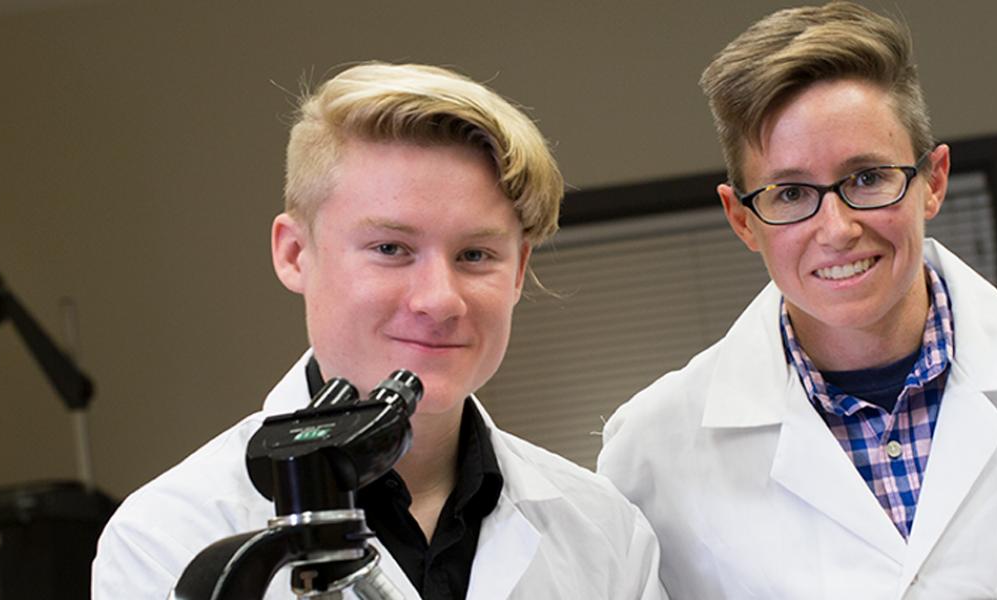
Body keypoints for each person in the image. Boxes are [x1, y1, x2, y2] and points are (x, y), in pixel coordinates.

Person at [93, 62, 666, 599]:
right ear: (295, 254)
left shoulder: (604, 532)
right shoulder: (168, 536)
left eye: (475, 254)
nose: (439, 300)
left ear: (518, 272)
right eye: (390, 248)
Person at [595, 3, 997, 598]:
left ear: (932, 182)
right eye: (790, 193)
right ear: (742, 219)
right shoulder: (651, 452)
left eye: (867, 178)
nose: (836, 229)